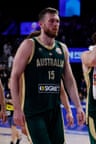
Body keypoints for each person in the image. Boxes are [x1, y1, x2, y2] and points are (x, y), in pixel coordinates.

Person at [10, 7, 85, 144]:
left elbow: (69, 80)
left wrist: (78, 107)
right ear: (41, 24)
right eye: (51, 21)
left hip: (54, 111)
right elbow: (14, 77)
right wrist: (16, 109)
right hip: (33, 112)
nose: (56, 24)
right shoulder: (29, 45)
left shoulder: (62, 48)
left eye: (57, 21)